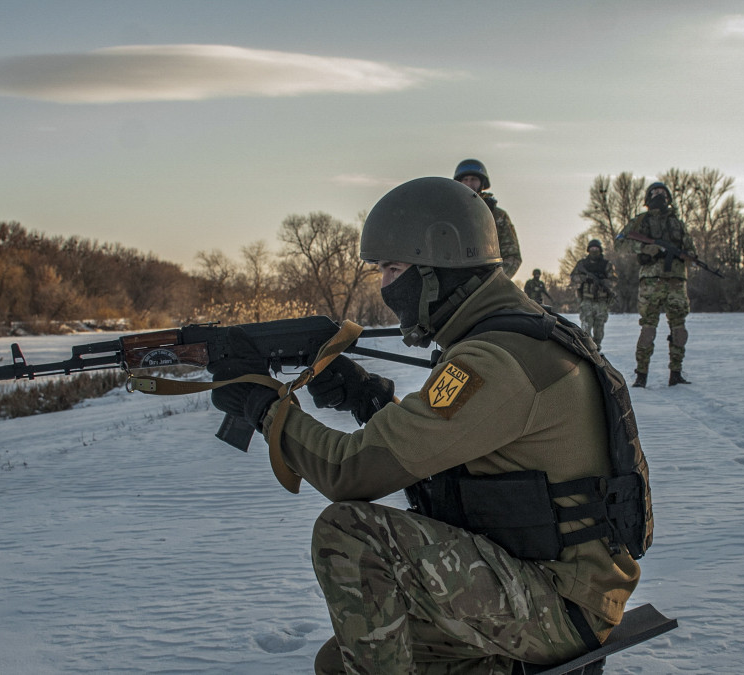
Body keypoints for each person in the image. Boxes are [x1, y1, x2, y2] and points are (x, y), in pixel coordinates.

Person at [207, 177, 651, 673]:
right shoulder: (508, 335)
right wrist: (369, 399)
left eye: (393, 269)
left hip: (561, 606)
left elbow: (350, 473)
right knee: (342, 661)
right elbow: (449, 449)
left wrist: (264, 409)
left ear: (437, 267)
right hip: (546, 583)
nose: (385, 286)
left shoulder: (496, 359)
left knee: (350, 534)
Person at [619, 182, 695, 387]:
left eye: (663, 193)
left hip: (676, 281)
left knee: (679, 328)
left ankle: (676, 373)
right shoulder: (640, 222)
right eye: (655, 193)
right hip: (651, 282)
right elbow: (620, 242)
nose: (660, 196)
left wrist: (687, 256)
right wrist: (644, 248)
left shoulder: (677, 223)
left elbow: (690, 250)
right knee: (648, 328)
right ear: (648, 197)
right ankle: (641, 375)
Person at [454, 158, 522, 277]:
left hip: (488, 281)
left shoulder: (498, 216)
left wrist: (495, 280)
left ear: (482, 183)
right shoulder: (448, 213)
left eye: (474, 179)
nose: (469, 184)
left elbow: (513, 256)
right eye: (465, 179)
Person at [569, 239, 617, 350]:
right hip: (587, 300)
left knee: (599, 327)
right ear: (588, 250)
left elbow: (614, 280)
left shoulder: (606, 265)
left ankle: (597, 347)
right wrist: (585, 278)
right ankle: (586, 347)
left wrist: (604, 281)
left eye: (596, 248)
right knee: (586, 326)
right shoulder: (582, 264)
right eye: (592, 248)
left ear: (600, 250)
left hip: (601, 301)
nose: (594, 250)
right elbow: (573, 277)